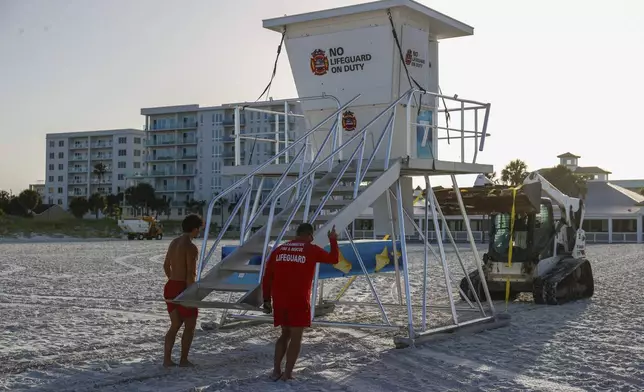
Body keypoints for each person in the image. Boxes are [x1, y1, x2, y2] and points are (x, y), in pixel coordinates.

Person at [261, 223, 340, 381]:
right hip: (298, 298)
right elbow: (334, 259)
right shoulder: (311, 249)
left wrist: (266, 299)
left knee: (285, 334)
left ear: (296, 234)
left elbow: (267, 276)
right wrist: (332, 239)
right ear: (310, 235)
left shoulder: (280, 250)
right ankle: (288, 374)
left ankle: (276, 370)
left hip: (280, 298)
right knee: (296, 336)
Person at [162, 214, 204, 367]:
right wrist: (193, 292)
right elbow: (190, 273)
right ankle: (184, 360)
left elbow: (166, 266)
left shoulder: (174, 242)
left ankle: (167, 360)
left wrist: (172, 279)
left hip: (170, 285)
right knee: (190, 325)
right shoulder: (191, 247)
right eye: (199, 230)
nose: (199, 233)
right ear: (194, 229)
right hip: (183, 287)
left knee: (174, 325)